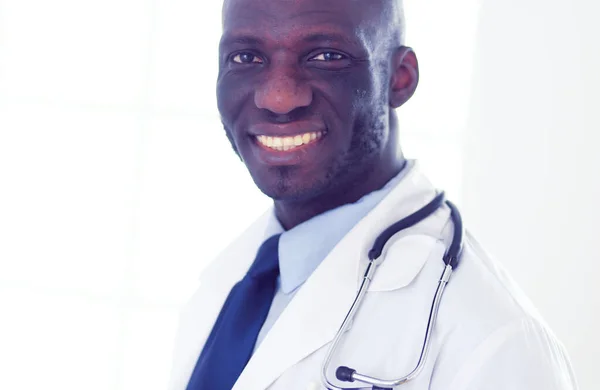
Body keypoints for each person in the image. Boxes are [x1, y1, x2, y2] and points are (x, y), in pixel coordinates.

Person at [169, 0, 578, 389]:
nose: (278, 97)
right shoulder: (233, 281)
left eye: (327, 56)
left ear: (400, 78)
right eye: (246, 58)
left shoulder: (494, 341)